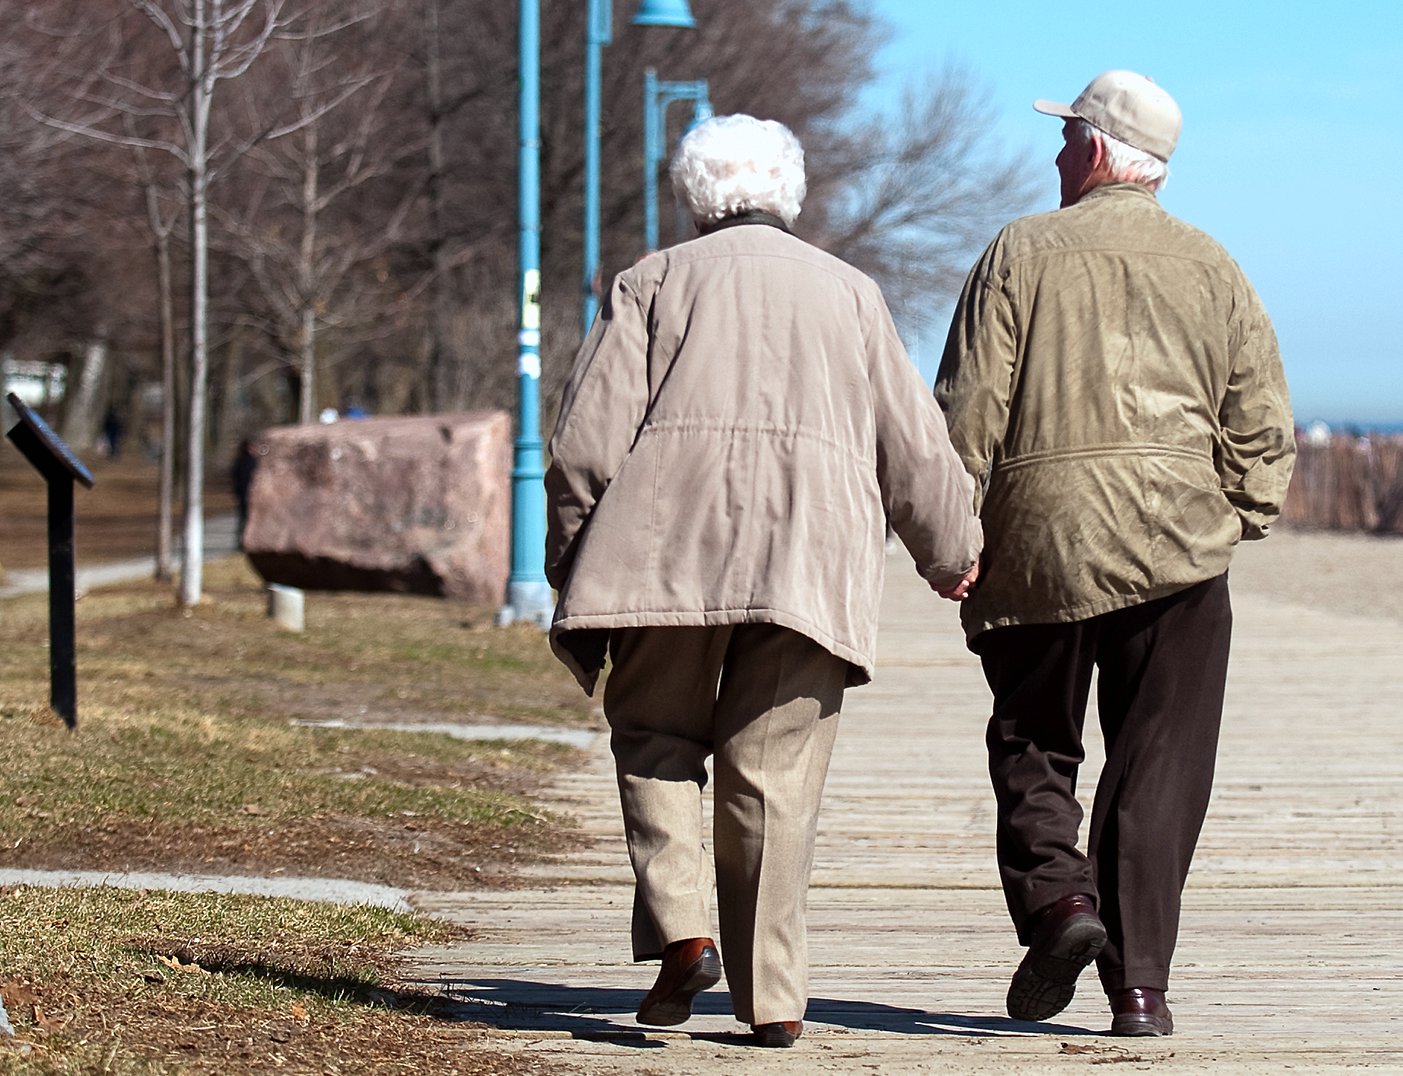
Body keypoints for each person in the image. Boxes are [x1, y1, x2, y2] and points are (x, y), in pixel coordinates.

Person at [545, 113, 982, 1048]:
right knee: (773, 778)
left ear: (692, 197)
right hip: (807, 562)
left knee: (655, 736)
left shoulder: (651, 283)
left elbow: (585, 445)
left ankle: (682, 928)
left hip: (660, 554)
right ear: (790, 193)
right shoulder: (850, 295)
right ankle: (774, 998)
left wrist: (572, 556)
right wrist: (951, 552)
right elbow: (914, 444)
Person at [933, 71, 1295, 1036]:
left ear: (1094, 151)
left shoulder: (1018, 250)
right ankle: (1139, 991)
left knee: (1031, 740)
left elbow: (967, 411)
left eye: (1064, 139)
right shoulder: (1212, 264)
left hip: (1041, 540)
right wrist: (1240, 516)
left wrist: (949, 537)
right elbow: (1259, 421)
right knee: (1159, 766)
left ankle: (1061, 902)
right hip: (1179, 547)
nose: (1054, 156)